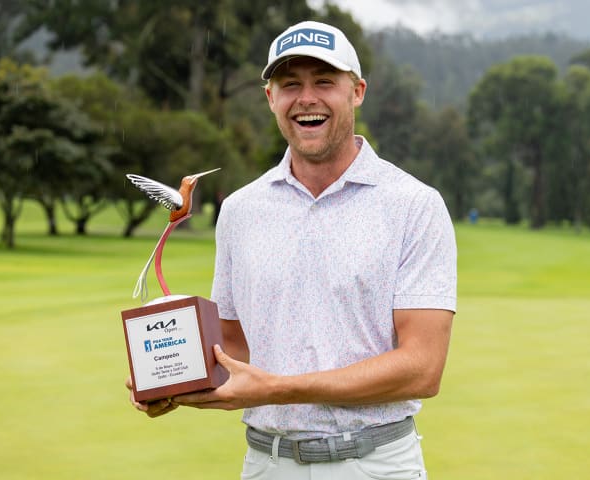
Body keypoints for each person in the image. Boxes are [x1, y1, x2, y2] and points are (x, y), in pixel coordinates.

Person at [128, 20, 457, 479]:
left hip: (376, 465)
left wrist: (278, 389)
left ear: (357, 91)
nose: (307, 98)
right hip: (267, 463)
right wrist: (173, 377)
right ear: (270, 98)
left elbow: (421, 368)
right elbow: (236, 344)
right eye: (289, 84)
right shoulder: (241, 210)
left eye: (325, 81)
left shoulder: (414, 206)